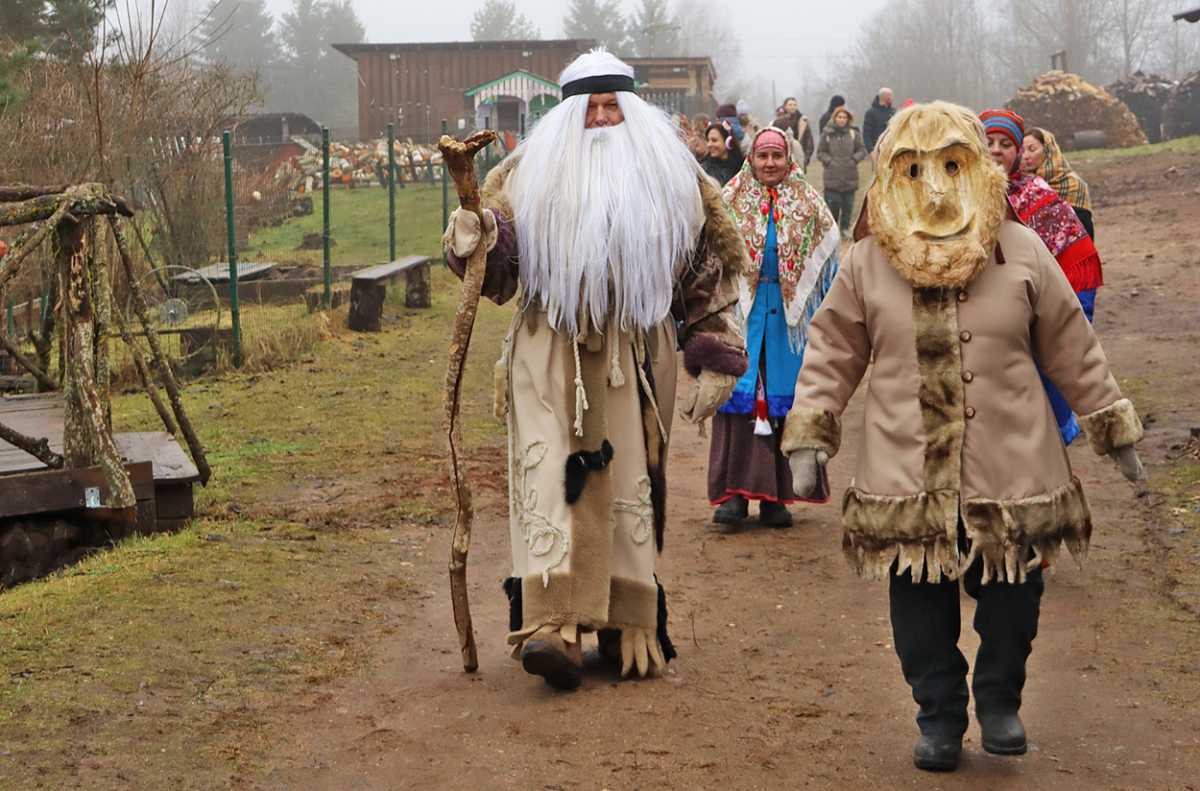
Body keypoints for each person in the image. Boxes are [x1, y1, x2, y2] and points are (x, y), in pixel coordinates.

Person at [783, 101, 1144, 772]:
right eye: (915, 169)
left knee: (1014, 594)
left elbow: (1071, 342)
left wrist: (1109, 421)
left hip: (1013, 461)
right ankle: (939, 715)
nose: (935, 186)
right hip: (906, 465)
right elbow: (833, 351)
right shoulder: (868, 262)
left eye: (952, 166)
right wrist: (811, 432)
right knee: (918, 601)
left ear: (979, 168)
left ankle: (1000, 700)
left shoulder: (1021, 249)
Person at [443, 50, 749, 690]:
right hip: (548, 351)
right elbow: (498, 274)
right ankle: (553, 625)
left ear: (631, 109)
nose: (604, 119)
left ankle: (626, 619)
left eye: (614, 106)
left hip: (633, 354)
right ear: (569, 114)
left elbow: (710, 267)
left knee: (630, 481)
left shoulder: (673, 178)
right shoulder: (524, 176)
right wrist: (476, 238)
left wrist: (716, 350)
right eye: (592, 108)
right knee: (550, 479)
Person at [707, 127, 840, 527]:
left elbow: (829, 261)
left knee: (784, 403)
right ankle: (733, 497)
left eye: (776, 156)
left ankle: (777, 498)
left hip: (788, 323)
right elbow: (707, 255)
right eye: (762, 156)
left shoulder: (809, 203)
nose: (769, 163)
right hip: (740, 317)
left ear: (788, 159)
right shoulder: (730, 199)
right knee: (738, 399)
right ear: (751, 159)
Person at [981, 109, 1104, 446]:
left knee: (1036, 416)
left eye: (1005, 144)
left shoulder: (1037, 196)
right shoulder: (957, 196)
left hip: (1027, 315)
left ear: (1017, 151)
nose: (995, 150)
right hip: (981, 324)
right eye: (988, 142)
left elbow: (1076, 259)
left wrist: (1070, 321)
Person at [1022, 127, 1095, 239]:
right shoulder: (1022, 186)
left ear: (1048, 151)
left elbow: (1086, 232)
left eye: (1032, 149)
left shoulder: (1073, 185)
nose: (1026, 156)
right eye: (1022, 151)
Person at [816, 106, 868, 237]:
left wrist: (854, 159)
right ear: (835, 118)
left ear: (848, 119)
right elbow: (820, 152)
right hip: (832, 177)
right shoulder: (827, 134)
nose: (842, 119)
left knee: (847, 206)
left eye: (844, 117)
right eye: (839, 117)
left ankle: (845, 229)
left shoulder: (854, 134)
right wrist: (829, 161)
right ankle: (832, 231)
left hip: (850, 176)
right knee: (833, 206)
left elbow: (862, 150)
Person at [699, 120, 744, 185]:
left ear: (728, 142)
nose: (709, 144)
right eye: (708, 140)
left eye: (714, 140)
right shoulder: (704, 170)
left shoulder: (743, 167)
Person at [862, 87, 895, 152]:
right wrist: (871, 150)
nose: (892, 98)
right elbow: (866, 133)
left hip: (892, 149)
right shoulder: (870, 113)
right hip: (876, 149)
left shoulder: (894, 112)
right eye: (891, 96)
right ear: (885, 97)